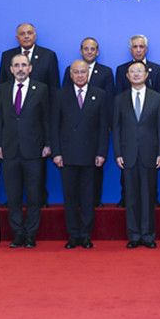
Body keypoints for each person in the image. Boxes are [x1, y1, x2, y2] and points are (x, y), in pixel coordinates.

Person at [0, 23, 60, 207]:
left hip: (37, 124)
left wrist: (49, 135)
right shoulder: (7, 56)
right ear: (17, 37)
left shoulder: (48, 55)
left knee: (37, 172)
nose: (26, 36)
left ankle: (40, 198)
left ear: (35, 35)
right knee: (13, 179)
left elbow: (54, 90)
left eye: (29, 33)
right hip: (12, 131)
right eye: (22, 34)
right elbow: (2, 92)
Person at [51, 60, 108, 249]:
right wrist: (56, 153)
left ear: (88, 74)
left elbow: (103, 127)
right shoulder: (60, 95)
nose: (80, 75)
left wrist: (101, 152)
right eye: (76, 72)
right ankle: (73, 235)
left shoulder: (99, 94)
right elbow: (54, 126)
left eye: (83, 72)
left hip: (90, 155)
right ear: (70, 75)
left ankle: (85, 235)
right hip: (67, 156)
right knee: (70, 198)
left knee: (88, 197)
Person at [0, 54, 51, 249]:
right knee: (13, 196)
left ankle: (30, 234)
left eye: (24, 65)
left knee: (34, 196)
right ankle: (18, 234)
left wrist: (48, 144)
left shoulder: (41, 88)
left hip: (34, 150)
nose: (20, 69)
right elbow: (0, 119)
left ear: (30, 68)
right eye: (17, 65)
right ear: (11, 69)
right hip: (9, 149)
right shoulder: (3, 89)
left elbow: (46, 118)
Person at [114, 60, 160, 248]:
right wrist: (117, 153)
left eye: (140, 71)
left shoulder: (158, 98)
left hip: (150, 154)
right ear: (127, 76)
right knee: (131, 197)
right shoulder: (119, 99)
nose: (136, 74)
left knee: (148, 196)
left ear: (146, 75)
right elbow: (117, 128)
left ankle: (148, 235)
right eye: (133, 71)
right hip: (127, 154)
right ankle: (134, 235)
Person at [62, 37, 115, 208]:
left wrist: (108, 125)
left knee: (94, 172)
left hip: (95, 130)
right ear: (81, 51)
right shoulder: (70, 70)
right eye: (86, 48)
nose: (89, 51)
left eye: (93, 49)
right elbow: (65, 98)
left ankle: (95, 201)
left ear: (97, 52)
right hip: (72, 134)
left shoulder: (105, 72)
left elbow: (109, 101)